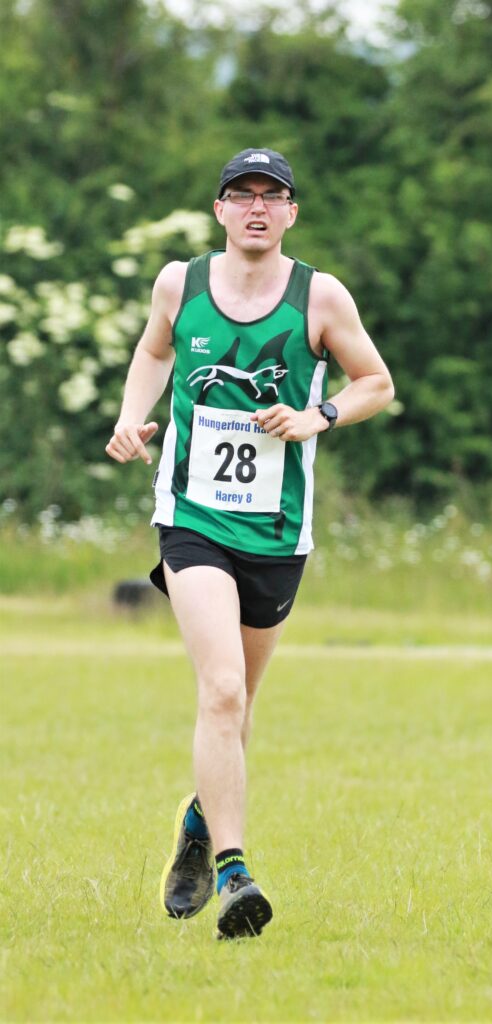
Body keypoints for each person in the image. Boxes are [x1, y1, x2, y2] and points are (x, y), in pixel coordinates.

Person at [105, 147, 394, 940]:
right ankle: (234, 872)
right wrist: (131, 417)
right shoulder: (180, 283)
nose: (257, 207)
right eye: (242, 194)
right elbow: (154, 350)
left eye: (272, 195)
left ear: (290, 212)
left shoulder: (319, 297)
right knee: (222, 689)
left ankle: (200, 824)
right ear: (220, 210)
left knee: (239, 709)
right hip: (192, 518)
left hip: (275, 530)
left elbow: (375, 383)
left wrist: (316, 416)